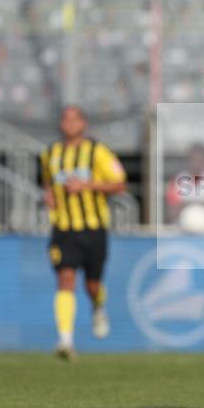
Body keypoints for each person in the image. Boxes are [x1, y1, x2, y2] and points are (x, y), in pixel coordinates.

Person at [40, 106, 127, 360]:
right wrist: (49, 196)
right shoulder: (50, 154)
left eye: (74, 119)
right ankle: (65, 341)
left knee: (92, 285)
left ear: (84, 123)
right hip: (63, 229)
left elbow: (119, 184)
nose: (69, 124)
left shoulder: (97, 152)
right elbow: (47, 181)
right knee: (65, 279)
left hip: (93, 228)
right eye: (64, 118)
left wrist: (88, 184)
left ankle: (98, 305)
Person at [165, 143, 204, 231]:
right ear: (189, 160)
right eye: (194, 160)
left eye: (200, 160)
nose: (196, 163)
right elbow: (172, 213)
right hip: (181, 231)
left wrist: (185, 204)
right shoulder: (177, 180)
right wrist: (199, 203)